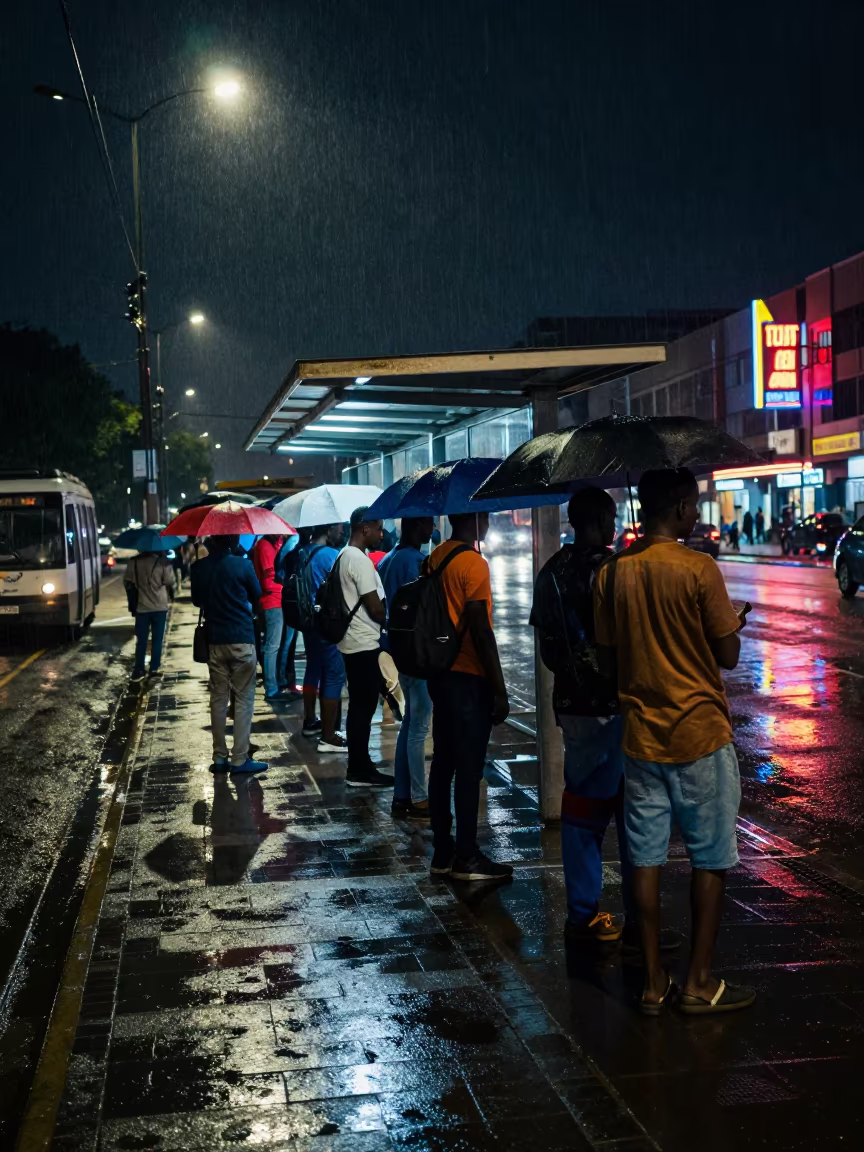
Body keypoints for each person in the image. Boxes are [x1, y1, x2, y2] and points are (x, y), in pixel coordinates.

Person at [595, 468, 754, 1015]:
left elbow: (609, 653)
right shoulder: (698, 568)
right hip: (700, 735)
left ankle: (653, 982)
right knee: (709, 859)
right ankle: (699, 982)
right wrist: (730, 625)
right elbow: (727, 655)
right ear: (682, 508)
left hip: (641, 738)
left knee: (644, 860)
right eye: (691, 506)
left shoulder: (614, 572)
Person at [531, 489, 635, 944]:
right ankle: (637, 915)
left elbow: (548, 649)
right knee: (632, 814)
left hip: (571, 705)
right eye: (611, 517)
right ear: (597, 520)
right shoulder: (613, 570)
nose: (614, 525)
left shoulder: (551, 570)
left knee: (581, 809)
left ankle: (582, 910)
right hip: (615, 706)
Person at [425, 512, 511, 882]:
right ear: (475, 520)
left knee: (443, 764)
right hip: (468, 676)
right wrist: (499, 687)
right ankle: (467, 856)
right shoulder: (473, 563)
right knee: (469, 769)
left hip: (440, 673)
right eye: (485, 516)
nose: (489, 521)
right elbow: (480, 628)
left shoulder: (436, 557)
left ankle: (443, 852)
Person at [191, 534, 268, 775]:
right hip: (242, 639)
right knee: (244, 699)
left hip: (215, 640)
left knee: (218, 698)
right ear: (233, 542)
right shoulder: (242, 564)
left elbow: (196, 601)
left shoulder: (199, 567)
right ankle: (239, 758)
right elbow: (257, 595)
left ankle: (220, 756)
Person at [378, 516, 436, 822]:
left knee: (410, 722)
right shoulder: (417, 561)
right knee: (418, 727)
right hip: (418, 652)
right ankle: (419, 797)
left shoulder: (387, 560)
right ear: (417, 527)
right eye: (428, 524)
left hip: (397, 649)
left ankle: (402, 795)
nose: (432, 529)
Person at [337, 507, 392, 787]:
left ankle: (360, 765)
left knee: (360, 706)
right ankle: (359, 769)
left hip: (352, 641)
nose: (381, 534)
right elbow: (374, 607)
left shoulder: (343, 555)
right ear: (364, 528)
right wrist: (387, 618)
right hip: (363, 643)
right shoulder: (357, 559)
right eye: (378, 528)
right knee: (364, 707)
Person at [299, 524, 347, 752]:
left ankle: (310, 720)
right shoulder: (331, 555)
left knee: (313, 667)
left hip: (307, 620)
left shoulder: (300, 553)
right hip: (327, 622)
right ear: (328, 530)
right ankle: (329, 735)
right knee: (334, 674)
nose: (340, 532)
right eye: (337, 528)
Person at [124, 548, 175, 682]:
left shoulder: (134, 562)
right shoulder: (163, 562)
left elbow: (127, 581)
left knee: (141, 640)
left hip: (142, 607)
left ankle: (139, 669)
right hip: (159, 606)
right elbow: (170, 581)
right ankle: (154, 669)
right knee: (157, 640)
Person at [253, 534, 286, 700]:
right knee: (272, 646)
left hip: (276, 599)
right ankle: (272, 689)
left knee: (275, 645)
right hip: (272, 600)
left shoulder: (273, 543)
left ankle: (277, 683)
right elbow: (268, 580)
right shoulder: (264, 546)